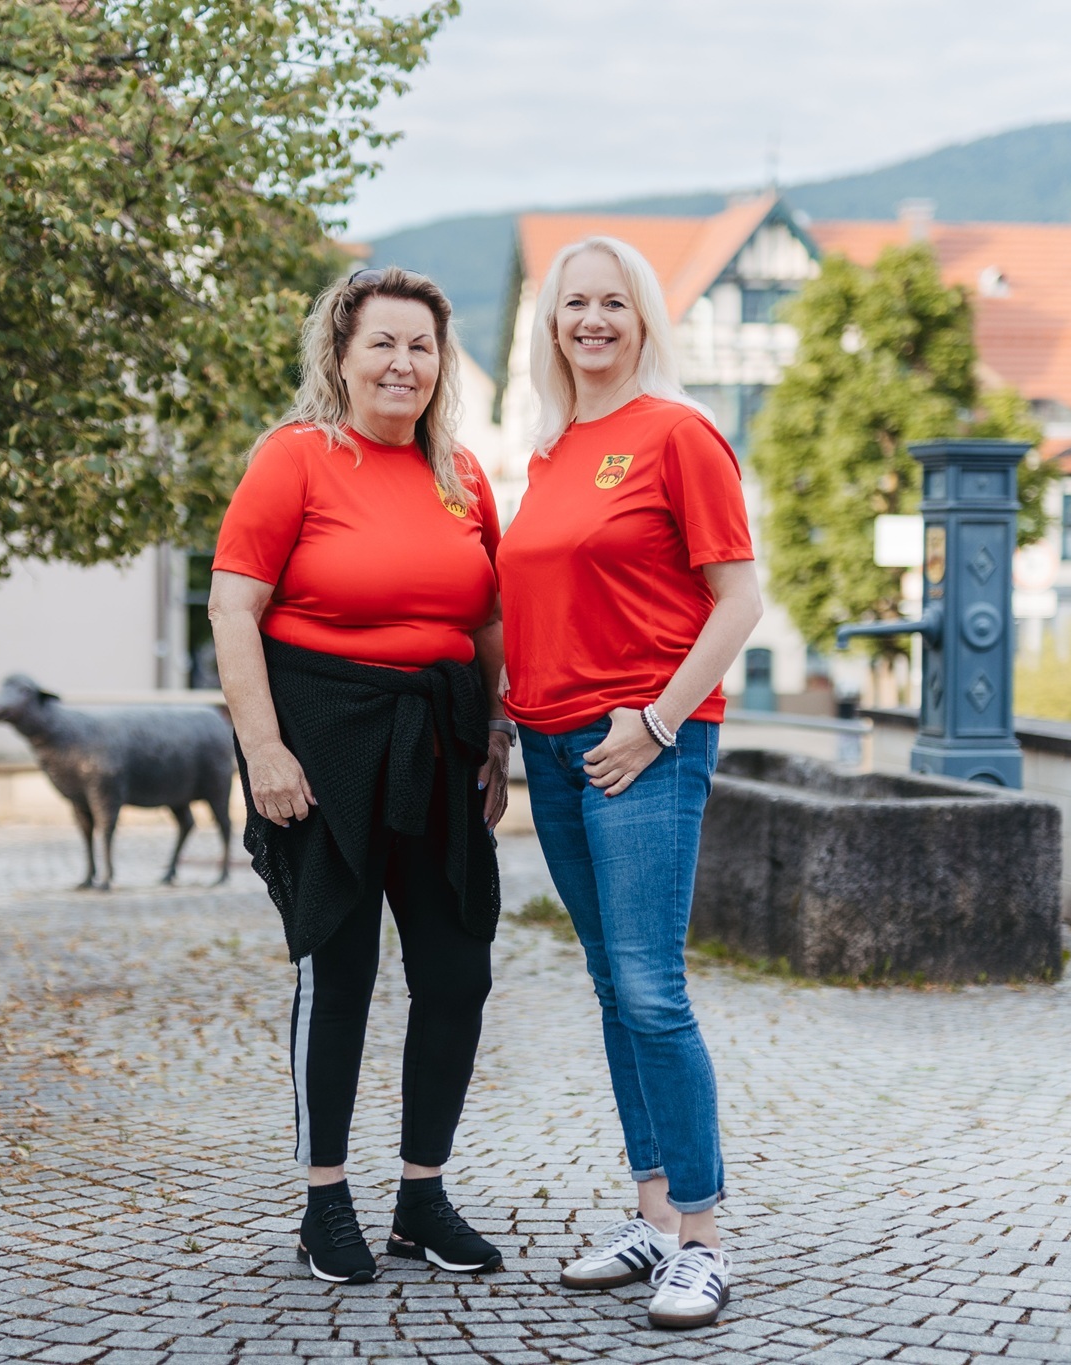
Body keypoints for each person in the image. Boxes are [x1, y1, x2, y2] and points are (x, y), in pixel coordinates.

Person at [208, 267, 515, 1285]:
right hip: (323, 742)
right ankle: (322, 1199)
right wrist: (263, 751)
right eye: (382, 343)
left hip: (439, 744)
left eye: (421, 346)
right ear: (338, 355)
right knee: (337, 975)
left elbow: (484, 625)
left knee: (456, 972)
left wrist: (498, 736)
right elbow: (231, 609)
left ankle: (421, 1196)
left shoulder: (460, 476)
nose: (402, 362)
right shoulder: (293, 459)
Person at [495, 237, 764, 1330]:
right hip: (552, 749)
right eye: (575, 305)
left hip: (642, 748)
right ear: (550, 325)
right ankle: (651, 1218)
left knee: (653, 990)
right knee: (611, 985)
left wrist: (654, 722)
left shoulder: (679, 434)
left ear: (644, 320)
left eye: (614, 303)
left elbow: (738, 601)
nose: (592, 319)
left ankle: (703, 1239)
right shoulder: (555, 450)